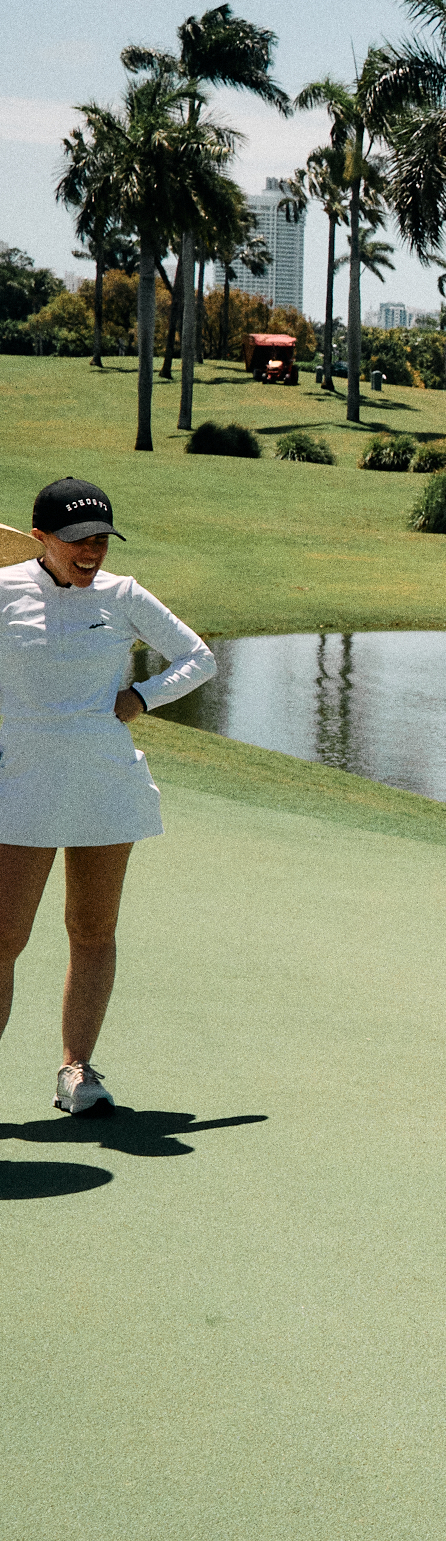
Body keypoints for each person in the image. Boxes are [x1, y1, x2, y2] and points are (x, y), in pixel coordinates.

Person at [0, 478, 216, 1117]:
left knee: (92, 929)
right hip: (22, 786)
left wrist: (141, 697)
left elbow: (197, 659)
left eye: (100, 539)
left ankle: (77, 1072)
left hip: (105, 782)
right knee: (4, 938)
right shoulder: (3, 593)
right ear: (40, 538)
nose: (91, 552)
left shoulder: (122, 596)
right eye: (76, 541)